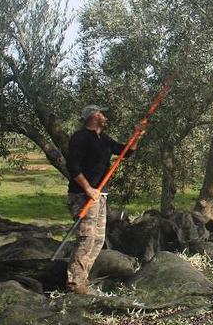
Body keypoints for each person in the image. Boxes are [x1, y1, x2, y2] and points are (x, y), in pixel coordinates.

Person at [65, 104, 142, 295]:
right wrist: (88, 188)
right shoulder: (80, 137)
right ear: (93, 116)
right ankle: (75, 283)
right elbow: (72, 166)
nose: (105, 116)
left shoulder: (104, 139)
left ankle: (82, 279)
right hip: (83, 196)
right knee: (86, 238)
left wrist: (137, 134)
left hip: (100, 196)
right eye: (102, 113)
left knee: (98, 239)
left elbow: (126, 152)